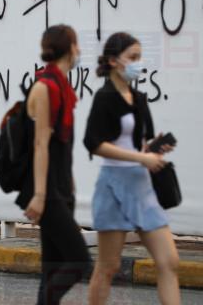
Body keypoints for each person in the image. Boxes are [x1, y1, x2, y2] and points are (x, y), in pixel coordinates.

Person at [84, 32, 180, 304]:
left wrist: (153, 150)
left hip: (141, 186)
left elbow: (141, 143)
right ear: (114, 61)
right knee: (108, 267)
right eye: (133, 58)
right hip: (113, 184)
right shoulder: (104, 98)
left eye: (140, 57)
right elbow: (94, 143)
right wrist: (141, 158)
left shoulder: (138, 98)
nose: (139, 63)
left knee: (169, 261)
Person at [18, 25, 91, 304]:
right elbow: (40, 144)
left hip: (61, 187)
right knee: (79, 261)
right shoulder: (45, 87)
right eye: (77, 44)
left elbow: (62, 144)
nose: (80, 51)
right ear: (69, 47)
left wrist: (69, 183)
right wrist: (39, 195)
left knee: (51, 268)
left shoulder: (61, 84)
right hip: (47, 191)